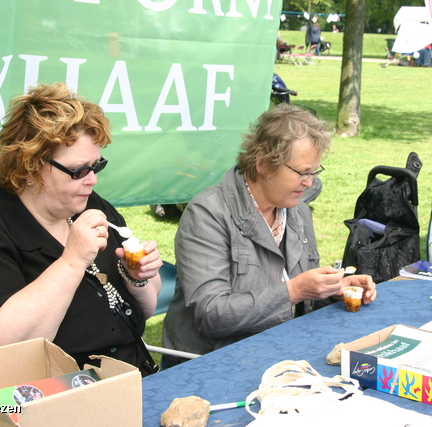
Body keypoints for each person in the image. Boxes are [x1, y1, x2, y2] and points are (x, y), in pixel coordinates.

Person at [0, 83, 162, 426]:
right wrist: (72, 260)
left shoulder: (90, 206)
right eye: (79, 170)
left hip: (119, 392)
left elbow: (147, 307)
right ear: (31, 165)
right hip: (26, 411)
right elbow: (1, 356)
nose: (92, 180)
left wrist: (138, 277)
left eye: (98, 165)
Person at [161, 104, 376, 367]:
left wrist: (332, 289)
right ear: (263, 163)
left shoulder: (297, 212)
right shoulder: (208, 213)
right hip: (214, 364)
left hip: (280, 353)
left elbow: (299, 293)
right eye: (302, 172)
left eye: (313, 172)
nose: (309, 183)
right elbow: (211, 314)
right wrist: (294, 291)